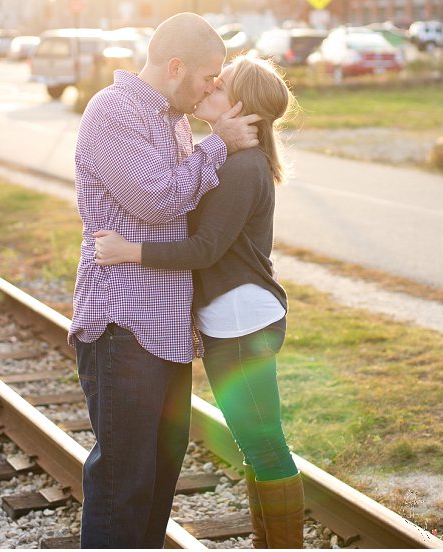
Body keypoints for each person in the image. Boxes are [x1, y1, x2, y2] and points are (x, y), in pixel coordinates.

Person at [93, 53, 303, 548]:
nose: (208, 88)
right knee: (257, 445)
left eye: (219, 86)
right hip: (237, 316)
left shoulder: (241, 167)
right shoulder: (233, 157)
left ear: (242, 107)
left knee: (264, 444)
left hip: (239, 319)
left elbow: (205, 249)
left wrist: (129, 251)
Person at [69, 12, 260, 549]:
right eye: (208, 77)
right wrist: (218, 142)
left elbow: (187, 207)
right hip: (124, 321)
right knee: (123, 484)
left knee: (157, 482)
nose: (212, 88)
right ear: (176, 67)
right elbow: (157, 200)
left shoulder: (173, 119)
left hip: (168, 327)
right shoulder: (112, 112)